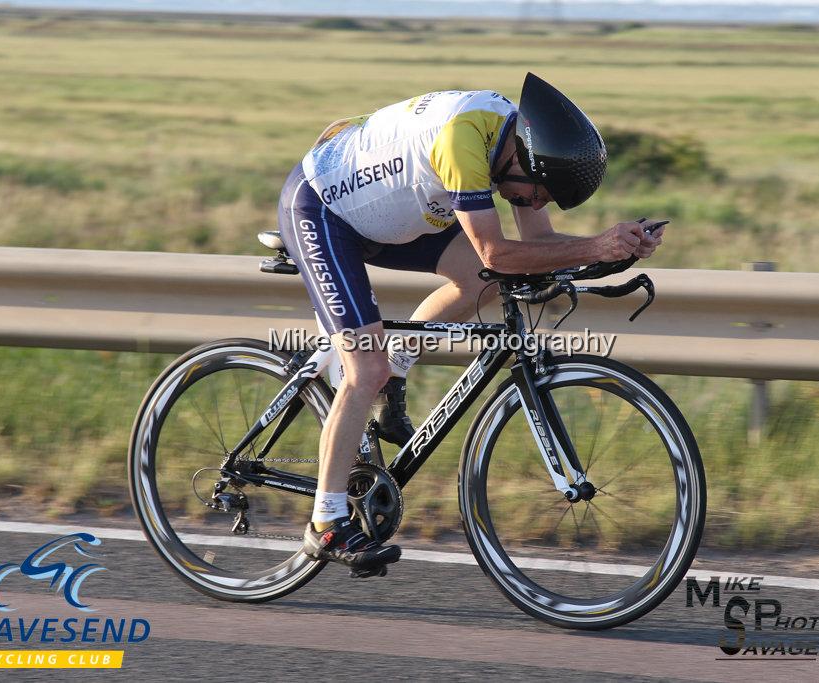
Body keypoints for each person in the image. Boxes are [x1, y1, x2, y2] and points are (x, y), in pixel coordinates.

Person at [277, 72, 665, 575]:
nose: (535, 205)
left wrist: (617, 249)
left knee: (479, 284)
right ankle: (326, 522)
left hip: (394, 212)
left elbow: (538, 247)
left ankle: (396, 368)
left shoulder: (513, 146)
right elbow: (496, 252)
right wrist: (595, 246)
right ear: (523, 161)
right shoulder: (466, 141)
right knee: (361, 370)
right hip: (323, 211)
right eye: (537, 194)